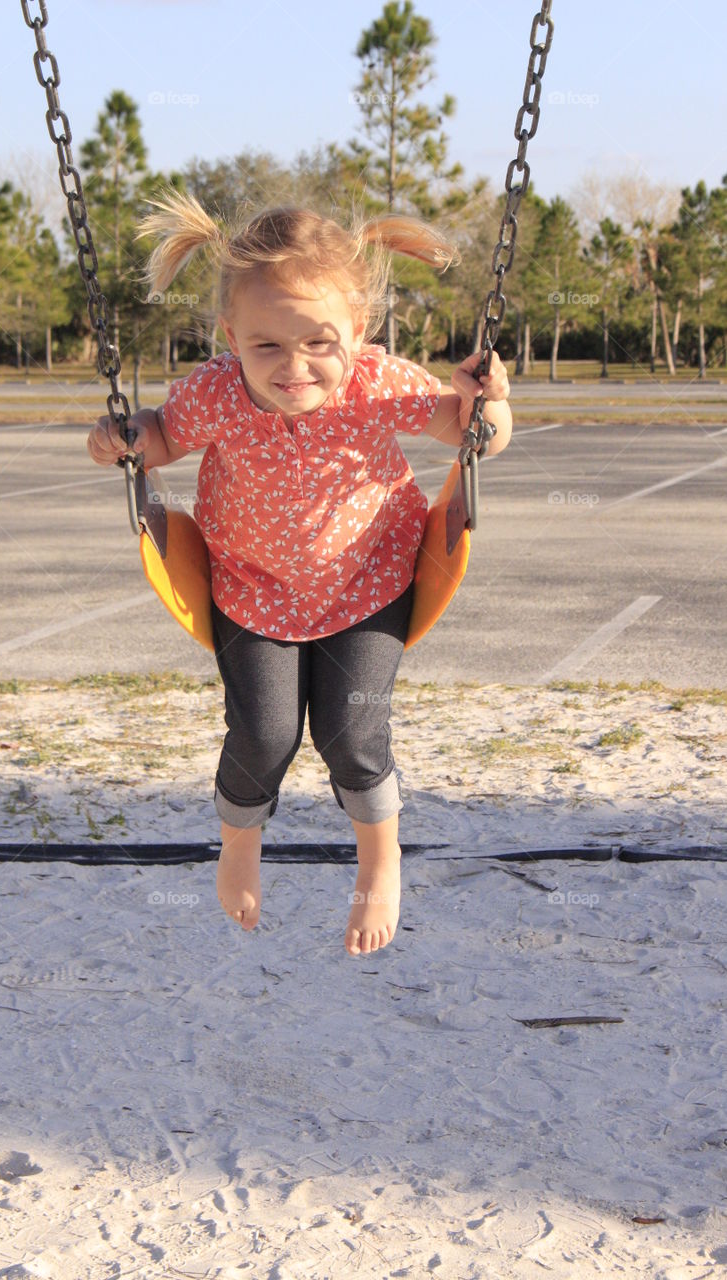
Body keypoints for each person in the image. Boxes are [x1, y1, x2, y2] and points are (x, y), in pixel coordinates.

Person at [87, 189, 511, 955]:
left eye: (319, 342)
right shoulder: (215, 392)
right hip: (252, 589)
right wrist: (121, 439)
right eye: (267, 347)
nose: (295, 367)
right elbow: (159, 438)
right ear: (231, 336)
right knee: (263, 730)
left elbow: (470, 431)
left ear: (358, 330)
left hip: (370, 584)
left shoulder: (378, 383)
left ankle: (379, 866)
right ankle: (239, 847)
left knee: (350, 732)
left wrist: (493, 407)